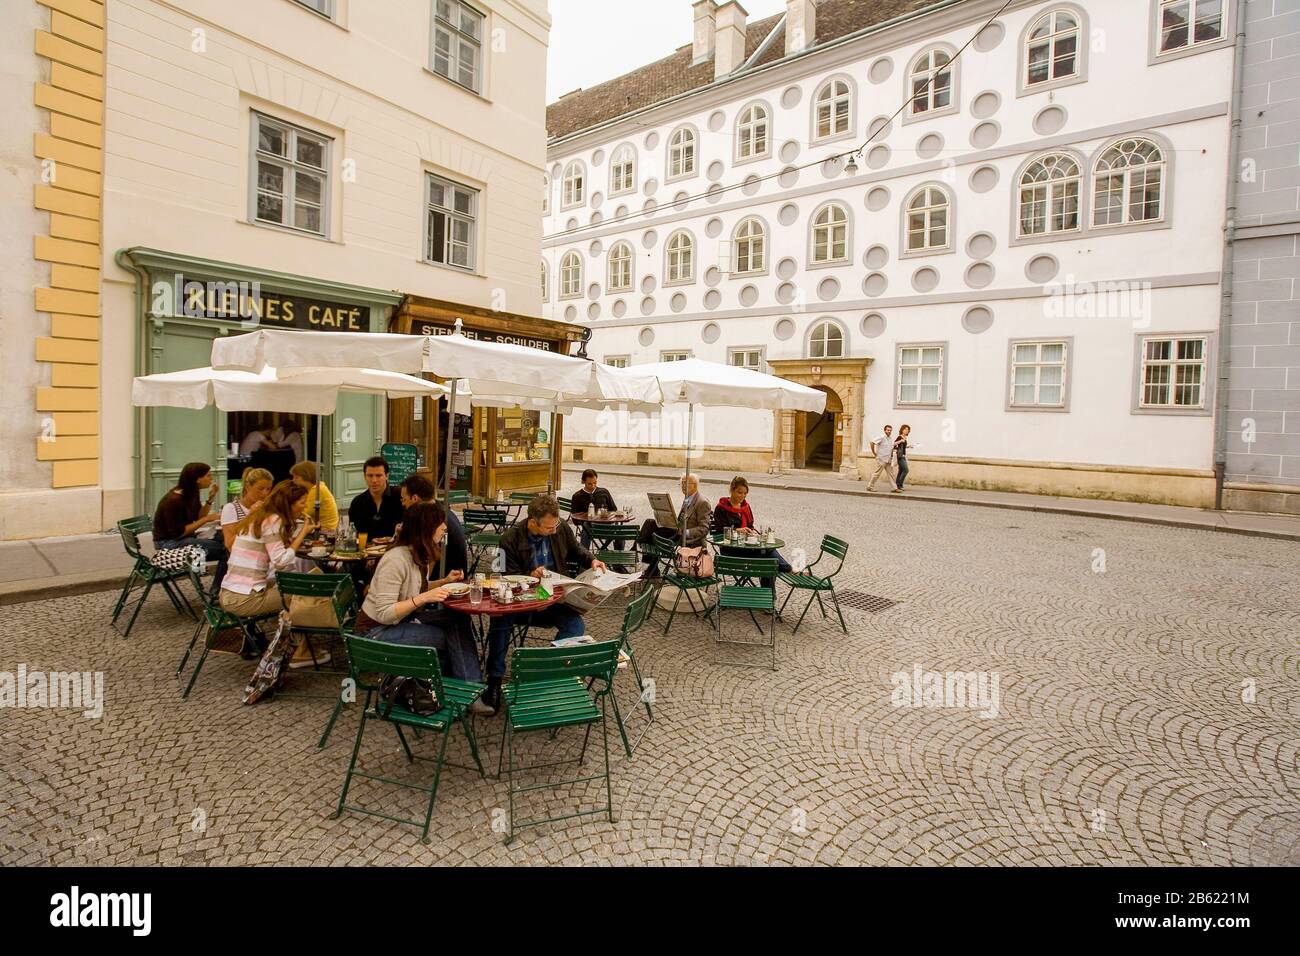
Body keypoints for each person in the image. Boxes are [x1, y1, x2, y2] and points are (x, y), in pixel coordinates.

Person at [356, 502, 491, 714]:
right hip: (374, 632)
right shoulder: (395, 560)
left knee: (458, 618)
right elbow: (384, 613)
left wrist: (445, 581)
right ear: (426, 528)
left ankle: (468, 690)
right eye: (440, 524)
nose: (445, 528)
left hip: (403, 619)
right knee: (444, 637)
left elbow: (419, 587)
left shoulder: (420, 554)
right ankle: (456, 692)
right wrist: (424, 598)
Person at [482, 495, 608, 712]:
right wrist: (530, 577)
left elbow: (577, 550)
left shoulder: (560, 529)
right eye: (549, 527)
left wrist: (592, 560)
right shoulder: (508, 540)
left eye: (555, 525)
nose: (553, 530)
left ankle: (543, 672)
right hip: (520, 602)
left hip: (553, 600)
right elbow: (503, 577)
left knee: (575, 626)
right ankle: (494, 680)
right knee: (500, 623)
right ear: (532, 521)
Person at [219, 480, 331, 668]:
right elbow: (281, 561)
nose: (305, 507)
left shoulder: (259, 517)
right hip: (245, 598)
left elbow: (276, 560)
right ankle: (300, 651)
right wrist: (302, 533)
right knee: (303, 590)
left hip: (229, 592)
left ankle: (297, 645)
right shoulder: (273, 521)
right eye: (302, 502)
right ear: (289, 504)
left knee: (295, 587)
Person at [153, 462, 228, 595]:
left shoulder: (192, 493)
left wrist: (210, 499)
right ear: (197, 479)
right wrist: (206, 520)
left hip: (183, 537)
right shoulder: (173, 500)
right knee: (226, 549)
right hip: (169, 543)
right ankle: (215, 592)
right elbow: (178, 532)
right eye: (208, 476)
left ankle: (219, 587)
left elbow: (198, 516)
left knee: (224, 538)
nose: (211, 479)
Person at [712, 475, 792, 588]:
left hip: (748, 547)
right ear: (732, 490)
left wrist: (753, 532)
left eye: (745, 493)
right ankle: (786, 572)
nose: (742, 496)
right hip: (731, 550)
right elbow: (719, 532)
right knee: (767, 555)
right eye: (739, 492)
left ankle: (769, 592)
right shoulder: (721, 508)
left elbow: (750, 525)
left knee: (767, 555)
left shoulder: (745, 507)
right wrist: (738, 530)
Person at [399, 474, 467, 576]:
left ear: (414, 498)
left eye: (404, 499)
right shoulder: (439, 509)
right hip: (455, 573)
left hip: (447, 578)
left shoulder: (430, 519)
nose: (403, 504)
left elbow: (428, 562)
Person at [636, 473, 711, 550]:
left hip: (687, 538)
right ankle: (639, 546)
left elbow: (704, 529)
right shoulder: (688, 498)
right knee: (650, 523)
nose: (683, 486)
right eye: (682, 483)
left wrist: (686, 532)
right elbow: (681, 520)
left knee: (653, 535)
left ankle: (640, 548)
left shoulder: (702, 502)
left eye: (686, 483)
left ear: (695, 485)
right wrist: (667, 519)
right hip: (677, 531)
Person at [348, 456, 403, 540]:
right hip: (366, 550)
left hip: (395, 549)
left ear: (387, 476)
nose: (374, 480)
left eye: (378, 475)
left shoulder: (400, 497)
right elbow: (353, 533)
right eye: (370, 476)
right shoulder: (357, 502)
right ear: (364, 476)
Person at [221, 467, 273, 551]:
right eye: (260, 489)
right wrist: (251, 515)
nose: (265, 493)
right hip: (243, 559)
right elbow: (229, 544)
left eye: (268, 489)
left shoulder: (269, 508)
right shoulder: (231, 508)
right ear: (247, 487)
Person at [570, 468, 619, 549]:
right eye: (589, 484)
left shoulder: (604, 492)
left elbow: (613, 509)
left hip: (607, 525)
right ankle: (584, 556)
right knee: (585, 528)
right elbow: (575, 518)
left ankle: (619, 556)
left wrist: (606, 514)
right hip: (590, 527)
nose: (593, 486)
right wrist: (585, 517)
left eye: (595, 483)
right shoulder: (577, 496)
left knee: (620, 530)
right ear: (583, 481)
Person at [290, 461, 339, 532]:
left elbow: (305, 511)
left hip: (325, 530)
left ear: (306, 476)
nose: (293, 480)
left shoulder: (317, 490)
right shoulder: (313, 488)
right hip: (321, 526)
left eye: (296, 477)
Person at [867, 424, 898, 492]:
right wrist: (874, 453)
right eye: (888, 430)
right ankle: (870, 486)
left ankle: (894, 488)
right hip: (881, 459)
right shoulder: (881, 437)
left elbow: (890, 447)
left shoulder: (890, 438)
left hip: (888, 459)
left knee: (891, 474)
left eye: (890, 430)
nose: (889, 431)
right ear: (885, 430)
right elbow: (872, 442)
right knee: (877, 473)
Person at [892, 425, 914, 493]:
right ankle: (899, 485)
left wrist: (908, 446)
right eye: (905, 429)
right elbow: (894, 444)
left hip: (903, 455)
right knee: (906, 470)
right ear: (902, 430)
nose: (906, 430)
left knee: (901, 471)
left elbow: (902, 447)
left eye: (907, 429)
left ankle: (897, 485)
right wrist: (901, 440)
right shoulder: (900, 437)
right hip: (900, 456)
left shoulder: (905, 437)